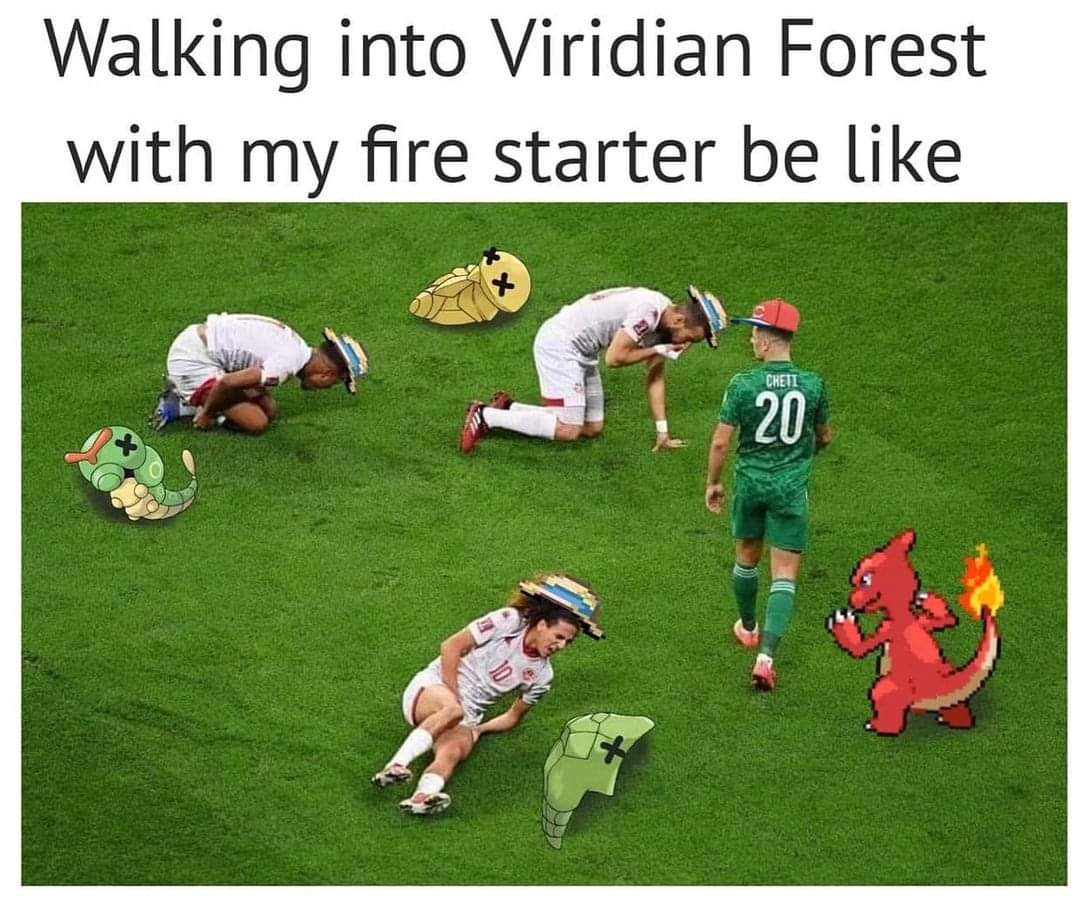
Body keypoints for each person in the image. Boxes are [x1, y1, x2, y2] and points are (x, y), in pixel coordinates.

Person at [372, 575, 604, 816]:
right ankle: (396, 765)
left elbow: (513, 717)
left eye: (568, 642)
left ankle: (421, 798)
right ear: (542, 625)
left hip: (465, 714)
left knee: (454, 751)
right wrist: (454, 698)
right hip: (432, 687)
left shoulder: (542, 675)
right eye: (559, 637)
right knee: (452, 710)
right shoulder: (509, 620)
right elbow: (451, 647)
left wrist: (478, 730)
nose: (562, 646)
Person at [705, 299, 833, 691]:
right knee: (785, 574)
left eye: (754, 332)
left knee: (746, 558)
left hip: (751, 484)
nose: (750, 339)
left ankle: (748, 628)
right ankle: (766, 659)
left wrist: (713, 483)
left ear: (765, 340)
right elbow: (824, 436)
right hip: (790, 489)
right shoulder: (813, 385)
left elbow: (721, 443)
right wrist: (801, 454)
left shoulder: (743, 384)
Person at [459, 285, 727, 454]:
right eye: (690, 338)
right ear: (679, 320)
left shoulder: (665, 323)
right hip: (560, 344)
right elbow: (614, 358)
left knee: (592, 427)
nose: (686, 344)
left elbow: (655, 376)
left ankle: (509, 408)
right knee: (569, 429)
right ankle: (485, 416)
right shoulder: (648, 312)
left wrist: (662, 431)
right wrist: (657, 350)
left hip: (583, 352)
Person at [148, 314, 368, 435]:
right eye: (332, 384)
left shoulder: (297, 346)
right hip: (191, 360)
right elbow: (228, 382)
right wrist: (207, 414)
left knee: (270, 410)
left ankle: (203, 398)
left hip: (200, 342)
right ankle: (182, 403)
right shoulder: (287, 364)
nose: (326, 389)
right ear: (325, 375)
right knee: (257, 422)